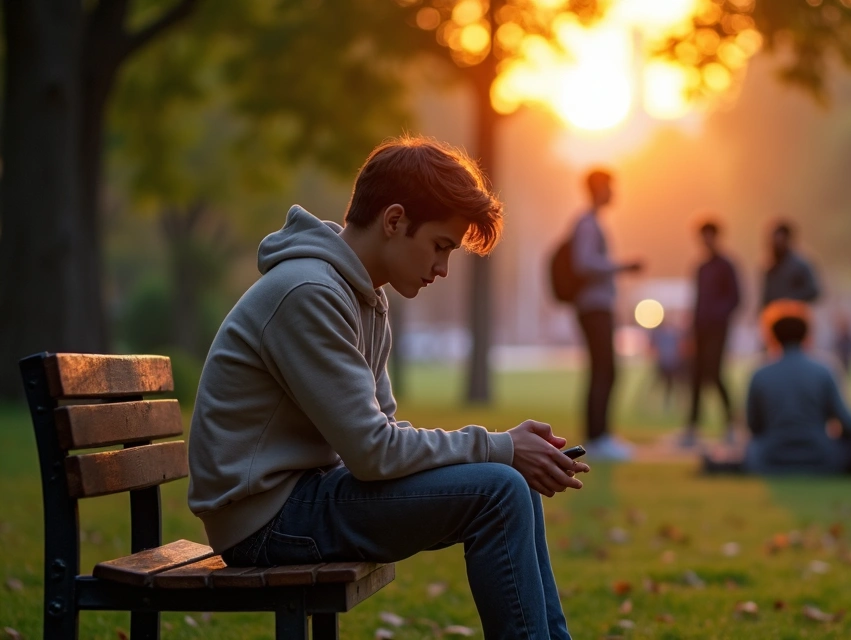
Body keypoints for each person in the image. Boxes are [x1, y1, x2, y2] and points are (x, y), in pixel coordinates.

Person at [187, 137, 589, 639]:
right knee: (500, 489)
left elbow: (385, 438)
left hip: (305, 496)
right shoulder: (309, 293)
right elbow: (374, 453)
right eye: (440, 246)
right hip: (264, 521)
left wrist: (506, 455)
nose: (442, 268)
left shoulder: (364, 297)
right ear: (394, 220)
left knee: (513, 484)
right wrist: (500, 447)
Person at [570, 168, 643, 460]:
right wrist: (621, 266)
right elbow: (584, 262)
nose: (613, 192)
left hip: (597, 306)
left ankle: (601, 434)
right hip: (594, 306)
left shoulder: (592, 221)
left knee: (604, 369)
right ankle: (597, 438)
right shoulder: (587, 223)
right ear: (598, 188)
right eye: (610, 186)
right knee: (604, 369)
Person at [737, 302, 851, 474]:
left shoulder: (760, 374)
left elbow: (754, 425)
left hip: (770, 457)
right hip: (821, 456)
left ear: (771, 336)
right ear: (807, 334)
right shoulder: (823, 370)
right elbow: (847, 423)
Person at [681, 220, 741, 447]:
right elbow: (697, 301)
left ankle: (731, 424)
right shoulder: (701, 267)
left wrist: (717, 315)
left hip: (717, 329)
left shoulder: (726, 266)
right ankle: (692, 427)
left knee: (715, 373)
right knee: (696, 375)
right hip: (700, 330)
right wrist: (691, 330)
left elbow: (735, 298)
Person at [759, 220, 821, 310]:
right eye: (775, 241)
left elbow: (813, 291)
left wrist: (790, 300)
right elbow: (765, 297)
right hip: (774, 315)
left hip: (796, 314)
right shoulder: (768, 268)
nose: (777, 244)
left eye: (780, 240)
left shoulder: (800, 265)